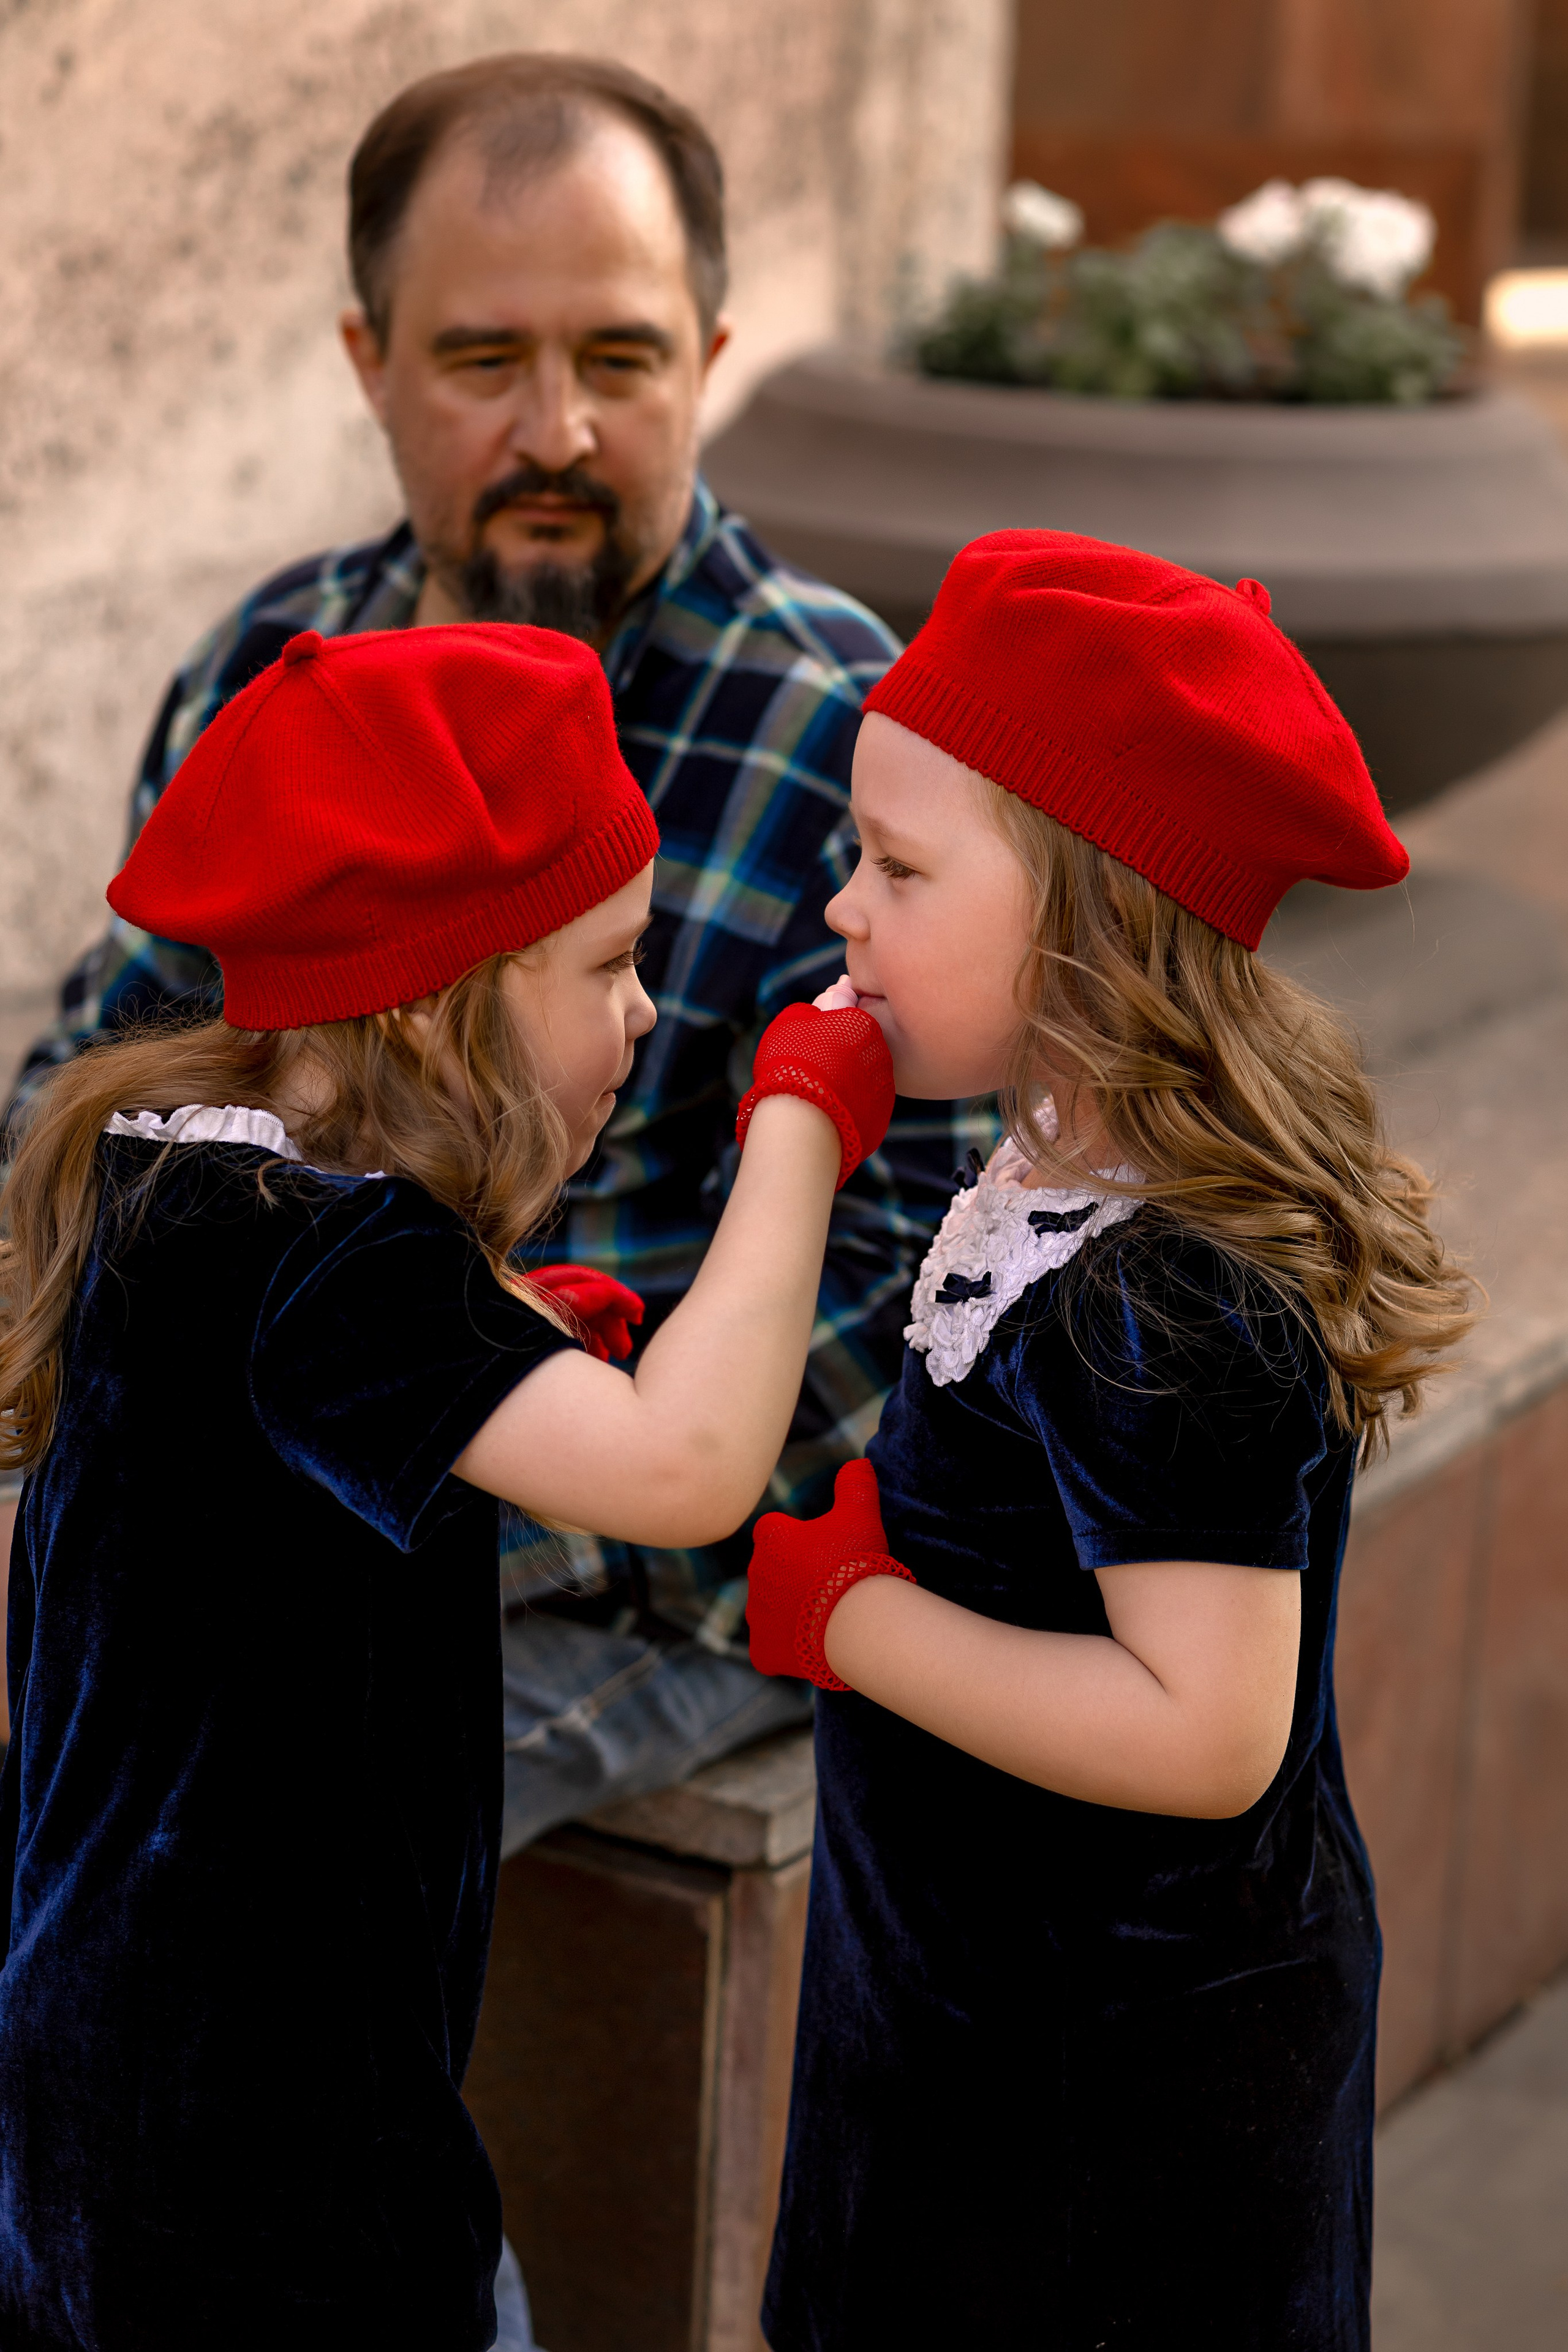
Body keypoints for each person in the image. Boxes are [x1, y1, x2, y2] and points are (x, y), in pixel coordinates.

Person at [0, 53, 985, 1824]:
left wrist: (433, 1441)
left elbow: (914, 1308)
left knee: (218, 1802)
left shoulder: (846, 734)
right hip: (296, 1445)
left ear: (711, 349)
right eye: (482, 361)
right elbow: (107, 1065)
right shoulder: (283, 663)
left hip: (636, 1575)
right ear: (369, 362)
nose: (558, 433)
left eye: (619, 357)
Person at [0, 620, 894, 2351]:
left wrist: (516, 1340)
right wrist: (797, 1126)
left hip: (117, 2087)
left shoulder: (182, 1181)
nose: (645, 1009)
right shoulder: (337, 1268)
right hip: (259, 2164)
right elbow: (692, 1470)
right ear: (440, 989)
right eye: (613, 965)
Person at [741, 533, 1477, 2349]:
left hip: (1122, 2105)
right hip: (977, 2017)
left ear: (1094, 918)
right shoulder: (1046, 1192)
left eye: (899, 867)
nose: (844, 907)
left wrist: (856, 1622)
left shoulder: (1171, 1298)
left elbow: (1212, 1732)